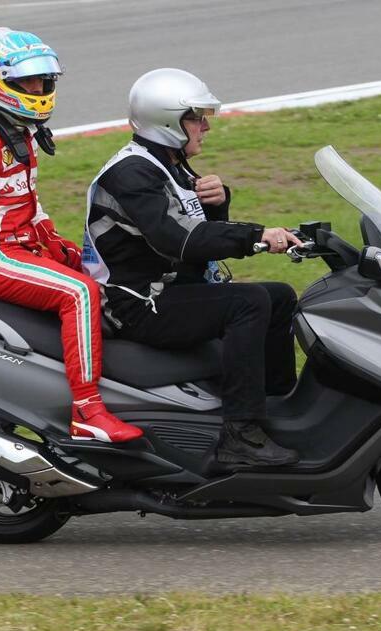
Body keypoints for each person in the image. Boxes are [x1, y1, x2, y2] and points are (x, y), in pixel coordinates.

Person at [0, 27, 141, 443]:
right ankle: (87, 411)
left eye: (43, 81)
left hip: (18, 247)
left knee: (98, 270)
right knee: (78, 293)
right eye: (27, 82)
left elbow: (26, 202)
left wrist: (57, 243)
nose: (38, 89)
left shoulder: (20, 132)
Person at [82, 68, 303, 466]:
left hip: (166, 290)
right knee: (248, 302)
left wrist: (219, 206)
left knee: (280, 296)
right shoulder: (131, 174)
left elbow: (200, 243)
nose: (205, 126)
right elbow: (178, 240)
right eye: (196, 118)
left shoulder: (168, 163)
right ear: (168, 121)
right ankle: (240, 436)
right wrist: (256, 235)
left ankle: (273, 402)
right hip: (134, 304)